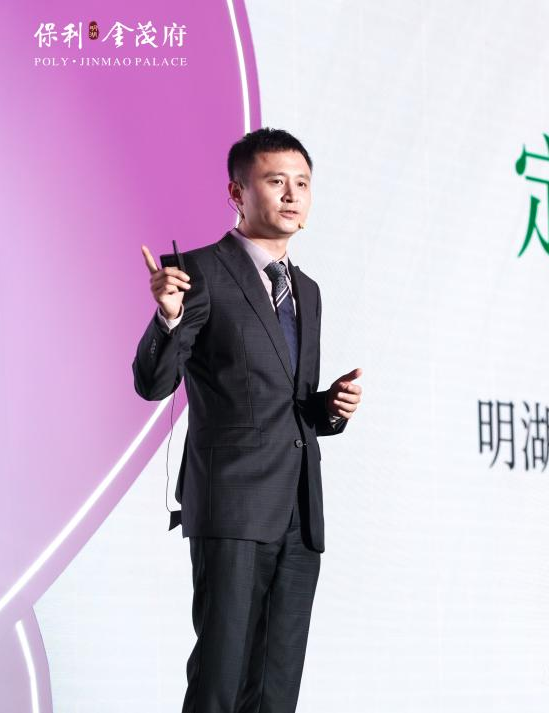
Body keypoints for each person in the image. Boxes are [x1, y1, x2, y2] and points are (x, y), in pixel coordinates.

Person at [132, 128, 363, 712]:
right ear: (236, 192)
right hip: (232, 505)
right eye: (275, 181)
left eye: (302, 183)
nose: (292, 195)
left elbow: (285, 401)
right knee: (221, 680)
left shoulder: (307, 290)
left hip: (298, 512)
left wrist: (329, 407)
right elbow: (153, 384)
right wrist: (167, 319)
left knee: (277, 687)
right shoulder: (198, 272)